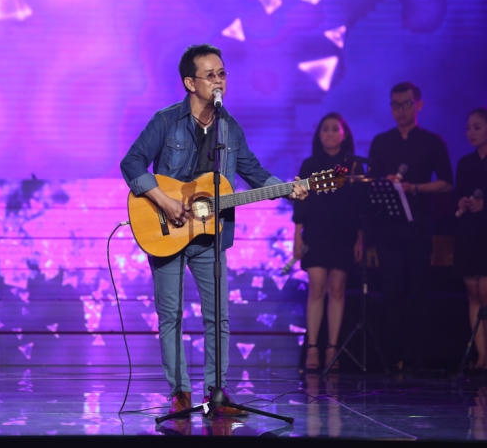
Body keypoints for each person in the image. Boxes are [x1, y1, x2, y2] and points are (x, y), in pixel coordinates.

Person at [120, 44, 307, 416]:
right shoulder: (166, 121)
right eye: (210, 75)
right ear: (190, 83)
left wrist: (288, 188)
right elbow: (132, 163)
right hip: (167, 229)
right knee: (171, 315)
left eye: (222, 73)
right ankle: (180, 392)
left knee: (217, 316)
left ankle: (216, 392)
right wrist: (164, 201)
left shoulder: (229, 128)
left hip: (211, 234)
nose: (218, 81)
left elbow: (253, 171)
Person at [368, 81, 453, 372]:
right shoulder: (381, 142)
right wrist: (385, 183)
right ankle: (392, 357)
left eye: (406, 104)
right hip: (388, 229)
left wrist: (415, 188)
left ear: (418, 104)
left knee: (418, 290)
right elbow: (371, 182)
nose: (400, 111)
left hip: (419, 228)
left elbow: (446, 183)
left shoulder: (432, 142)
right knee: (391, 290)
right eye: (395, 105)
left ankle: (418, 357)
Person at [293, 112, 363, 373]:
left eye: (335, 129)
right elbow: (300, 203)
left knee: (337, 289)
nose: (330, 134)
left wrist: (360, 238)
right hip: (316, 233)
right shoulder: (309, 164)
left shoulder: (353, 166)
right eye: (325, 129)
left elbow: (359, 206)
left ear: (344, 133)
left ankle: (332, 349)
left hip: (343, 234)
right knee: (317, 287)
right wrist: (297, 236)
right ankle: (312, 348)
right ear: (318, 134)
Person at [454, 108, 487, 371]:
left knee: (485, 291)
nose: (471, 133)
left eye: (477, 127)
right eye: (468, 128)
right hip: (469, 232)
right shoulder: (465, 163)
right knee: (472, 292)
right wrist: (463, 203)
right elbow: (458, 195)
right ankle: (481, 354)